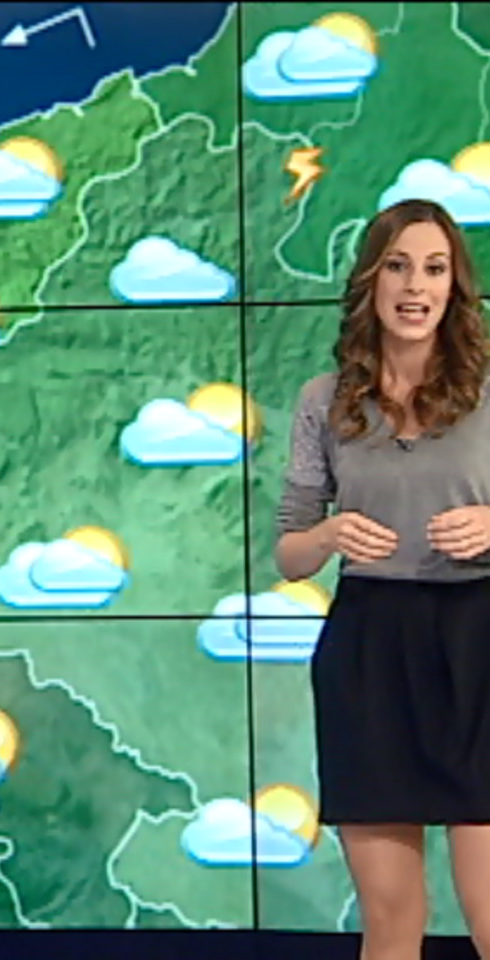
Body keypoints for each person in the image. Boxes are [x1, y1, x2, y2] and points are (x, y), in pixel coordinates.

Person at [275, 197, 490, 960]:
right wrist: (328, 535)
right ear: (371, 280)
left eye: (434, 269)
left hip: (478, 647)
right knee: (392, 922)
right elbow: (290, 553)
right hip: (369, 653)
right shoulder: (325, 401)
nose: (415, 286)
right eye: (398, 266)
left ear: (455, 286)